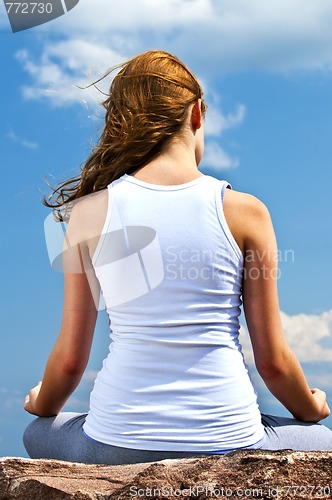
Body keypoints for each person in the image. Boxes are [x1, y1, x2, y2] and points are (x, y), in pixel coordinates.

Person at [23, 50, 332, 464]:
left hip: (117, 444)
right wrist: (311, 408)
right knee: (322, 440)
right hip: (229, 439)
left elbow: (71, 360)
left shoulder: (89, 214)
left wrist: (42, 402)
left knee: (35, 432)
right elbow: (273, 363)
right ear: (197, 114)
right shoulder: (246, 212)